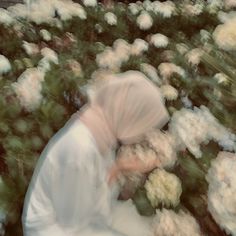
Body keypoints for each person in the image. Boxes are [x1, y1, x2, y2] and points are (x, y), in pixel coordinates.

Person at [21, 70, 169, 236]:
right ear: (129, 114)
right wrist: (116, 169)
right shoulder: (81, 148)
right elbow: (76, 221)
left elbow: (93, 198)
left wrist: (119, 167)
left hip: (74, 219)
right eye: (143, 123)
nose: (143, 133)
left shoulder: (101, 130)